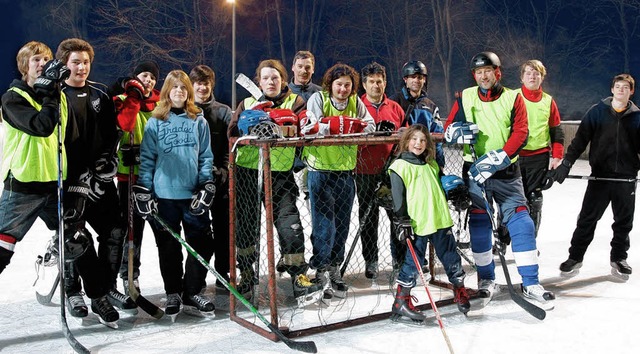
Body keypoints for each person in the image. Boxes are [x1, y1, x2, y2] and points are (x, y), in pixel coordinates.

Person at [444, 51, 554, 303]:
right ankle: (486, 279)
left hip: (505, 172)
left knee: (522, 223)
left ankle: (530, 282)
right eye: (479, 72)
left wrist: (500, 157)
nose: (483, 76)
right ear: (475, 75)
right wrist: (454, 132)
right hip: (475, 172)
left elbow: (521, 132)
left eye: (488, 71)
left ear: (498, 73)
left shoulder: (513, 98)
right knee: (480, 224)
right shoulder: (466, 96)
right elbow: (449, 127)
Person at [227, 59, 322, 305]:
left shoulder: (295, 102)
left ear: (283, 80)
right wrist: (247, 123)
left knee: (290, 225)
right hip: (248, 173)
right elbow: (231, 133)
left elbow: (306, 127)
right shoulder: (247, 103)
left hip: (280, 174)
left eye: (276, 77)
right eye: (266, 78)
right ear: (259, 81)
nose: (271, 81)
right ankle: (247, 274)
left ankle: (298, 276)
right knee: (246, 227)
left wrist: (306, 124)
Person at [57, 38, 132, 324]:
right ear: (64, 64)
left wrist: (106, 163)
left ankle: (103, 291)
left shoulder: (99, 95)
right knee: (75, 237)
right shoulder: (56, 96)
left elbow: (110, 134)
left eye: (86, 62)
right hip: (70, 181)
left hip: (99, 181)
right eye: (76, 62)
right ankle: (73, 289)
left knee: (114, 230)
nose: (82, 67)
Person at [133, 70, 216, 319]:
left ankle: (191, 291)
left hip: (192, 195)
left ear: (188, 92)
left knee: (201, 243)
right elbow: (147, 159)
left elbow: (205, 157)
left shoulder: (198, 120)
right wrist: (144, 189)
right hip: (164, 196)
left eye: (183, 87)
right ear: (167, 91)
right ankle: (173, 292)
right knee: (168, 247)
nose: (179, 91)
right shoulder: (156, 122)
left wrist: (206, 184)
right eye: (174, 87)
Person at [553, 74, 640, 278]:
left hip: (625, 179)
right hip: (600, 177)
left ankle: (619, 258)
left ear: (631, 92)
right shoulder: (597, 112)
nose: (621, 90)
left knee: (623, 222)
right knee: (587, 219)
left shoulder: (638, 117)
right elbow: (580, 140)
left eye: (625, 87)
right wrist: (566, 163)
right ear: (612, 90)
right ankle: (575, 256)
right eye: (618, 86)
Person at [0, 41, 75, 275]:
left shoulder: (58, 96)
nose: (42, 64)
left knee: (75, 239)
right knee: (3, 245)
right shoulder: (13, 98)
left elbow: (69, 135)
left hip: (54, 181)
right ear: (25, 66)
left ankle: (79, 292)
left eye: (45, 59)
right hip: (23, 183)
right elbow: (42, 126)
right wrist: (50, 94)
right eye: (36, 60)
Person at [301, 63, 376, 298]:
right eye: (338, 84)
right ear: (330, 84)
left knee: (342, 224)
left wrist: (354, 126)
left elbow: (370, 125)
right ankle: (320, 269)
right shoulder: (318, 98)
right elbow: (310, 126)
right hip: (320, 170)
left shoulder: (355, 102)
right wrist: (334, 126)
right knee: (324, 225)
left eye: (347, 85)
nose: (343, 89)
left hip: (345, 171)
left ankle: (335, 268)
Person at [388, 125, 470, 322]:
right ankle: (401, 300)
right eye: (414, 139)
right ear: (406, 141)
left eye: (423, 140)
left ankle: (459, 288)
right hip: (418, 221)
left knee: (450, 255)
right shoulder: (399, 166)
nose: (419, 143)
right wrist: (402, 220)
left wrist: (454, 191)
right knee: (413, 261)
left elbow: (439, 186)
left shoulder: (431, 165)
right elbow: (398, 197)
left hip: (439, 218)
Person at [114, 61, 161, 295]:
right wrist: (133, 98)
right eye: (145, 75)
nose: (149, 80)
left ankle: (174, 282)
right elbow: (125, 124)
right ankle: (129, 275)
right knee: (132, 230)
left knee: (163, 230)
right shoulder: (124, 99)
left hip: (156, 178)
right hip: (128, 176)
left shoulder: (162, 103)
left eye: (152, 77)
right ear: (136, 77)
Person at [355, 62, 403, 279]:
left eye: (380, 81)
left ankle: (399, 260)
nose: (376, 85)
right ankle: (370, 260)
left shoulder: (395, 108)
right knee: (368, 217)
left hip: (390, 171)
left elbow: (406, 138)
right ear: (364, 84)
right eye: (372, 81)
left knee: (397, 215)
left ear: (385, 82)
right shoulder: (356, 107)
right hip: (364, 171)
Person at [189, 64, 232, 289]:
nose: (202, 87)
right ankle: (197, 278)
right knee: (199, 233)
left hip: (220, 182)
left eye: (206, 83)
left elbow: (229, 145)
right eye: (198, 82)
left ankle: (223, 272)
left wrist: (224, 171)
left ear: (211, 84)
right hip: (194, 184)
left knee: (224, 230)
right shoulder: (184, 111)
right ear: (191, 84)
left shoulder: (223, 111)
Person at [516, 60, 564, 238]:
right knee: (510, 200)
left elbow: (556, 131)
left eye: (536, 73)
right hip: (514, 157)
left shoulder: (548, 101)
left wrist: (557, 156)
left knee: (534, 201)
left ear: (542, 78)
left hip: (539, 158)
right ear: (522, 77)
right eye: (528, 73)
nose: (532, 76)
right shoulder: (513, 97)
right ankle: (504, 238)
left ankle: (529, 240)